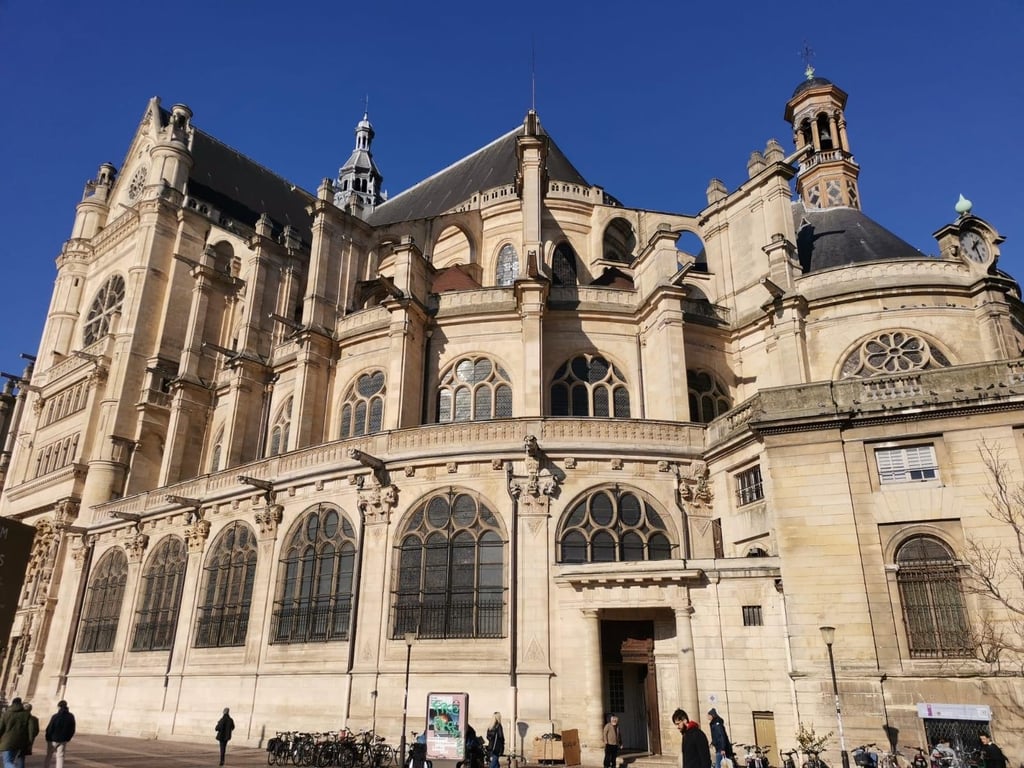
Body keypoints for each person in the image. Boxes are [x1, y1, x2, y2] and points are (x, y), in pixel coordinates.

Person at [0, 697, 36, 768]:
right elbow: (32, 730)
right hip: (20, 742)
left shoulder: (6, 714)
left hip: (7, 742)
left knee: (8, 762)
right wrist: (29, 742)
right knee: (14, 760)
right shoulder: (27, 715)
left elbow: (0, 728)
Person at [43, 700, 75, 768]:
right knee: (60, 756)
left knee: (49, 755)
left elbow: (50, 727)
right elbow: (72, 729)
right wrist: (68, 738)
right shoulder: (70, 716)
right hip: (63, 739)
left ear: (59, 707)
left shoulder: (55, 716)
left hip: (53, 739)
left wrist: (47, 737)